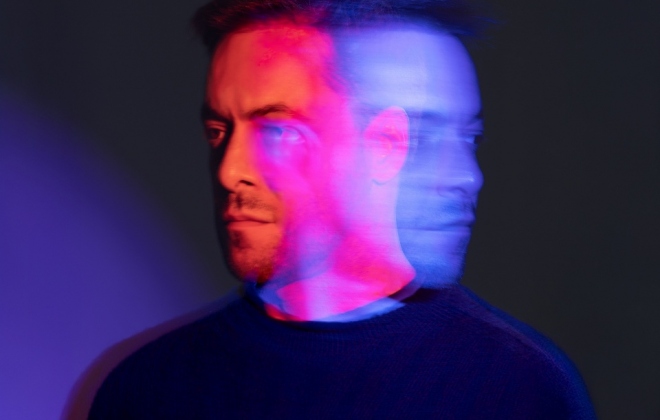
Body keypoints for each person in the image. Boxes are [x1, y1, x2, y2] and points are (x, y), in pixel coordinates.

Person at [89, 1, 596, 418]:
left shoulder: (518, 389)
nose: (229, 170)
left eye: (466, 138)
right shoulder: (147, 388)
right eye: (220, 131)